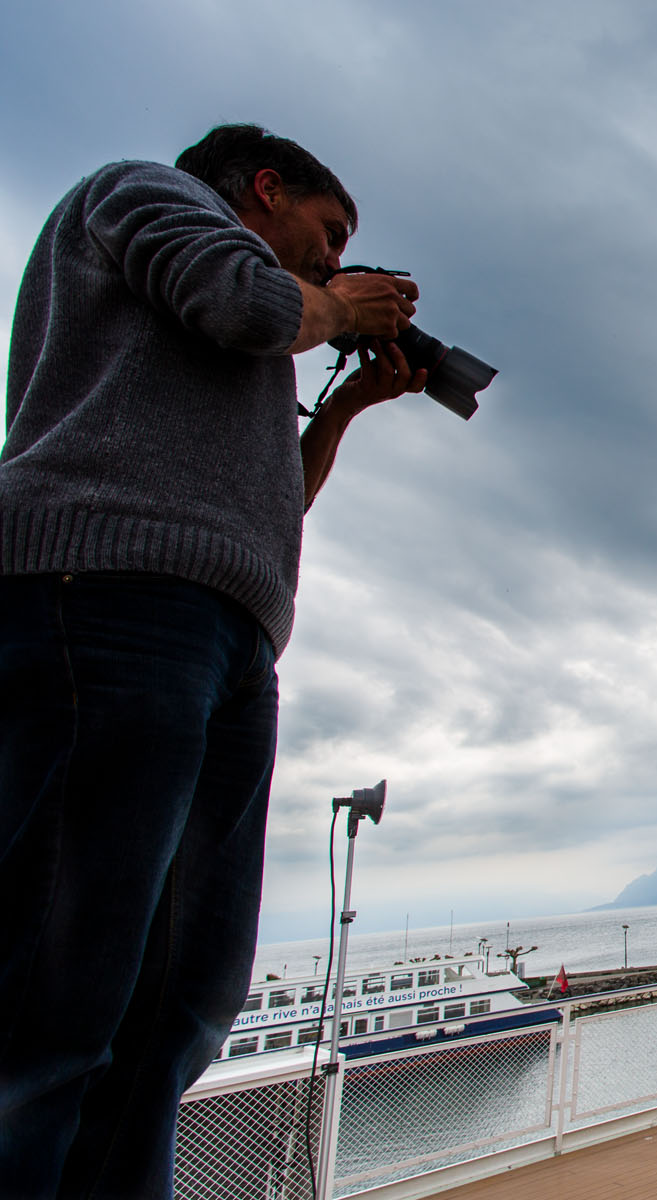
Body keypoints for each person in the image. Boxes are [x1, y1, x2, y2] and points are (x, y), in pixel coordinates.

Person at [0, 124, 425, 1196]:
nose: (336, 259)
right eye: (331, 233)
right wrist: (340, 309)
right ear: (265, 188)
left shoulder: (259, 326)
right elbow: (244, 302)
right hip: (106, 595)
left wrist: (343, 405)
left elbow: (274, 500)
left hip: (226, 638)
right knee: (60, 985)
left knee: (183, 999)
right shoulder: (144, 193)